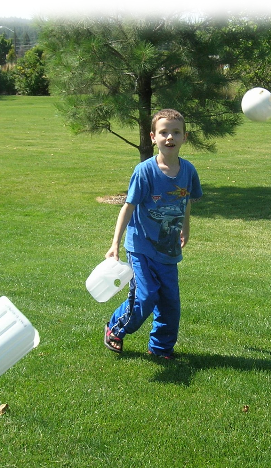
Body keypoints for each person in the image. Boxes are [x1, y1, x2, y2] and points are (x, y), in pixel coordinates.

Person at [104, 109, 202, 359]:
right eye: (164, 132)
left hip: (168, 248)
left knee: (170, 303)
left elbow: (186, 201)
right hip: (141, 247)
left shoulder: (188, 171)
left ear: (184, 137)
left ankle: (160, 349)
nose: (170, 137)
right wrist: (115, 244)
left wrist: (186, 228)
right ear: (153, 137)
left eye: (176, 132)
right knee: (146, 296)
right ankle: (115, 328)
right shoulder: (144, 171)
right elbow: (129, 207)